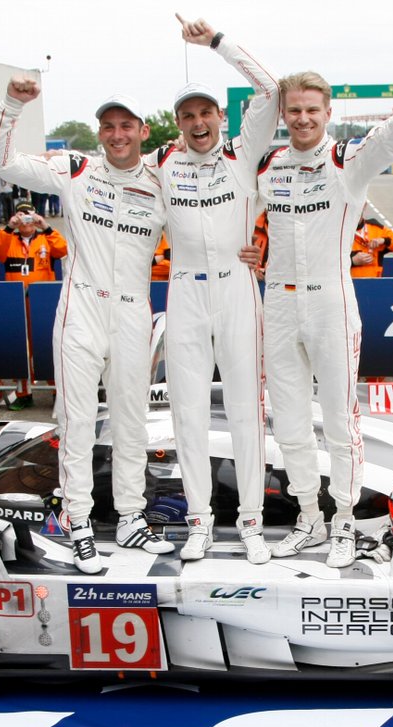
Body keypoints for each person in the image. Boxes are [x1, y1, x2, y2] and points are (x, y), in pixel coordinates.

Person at [259, 35, 393, 569]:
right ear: (283, 113)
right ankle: (309, 519)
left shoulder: (348, 161)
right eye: (293, 110)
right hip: (277, 302)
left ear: (327, 112)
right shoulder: (268, 166)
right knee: (288, 422)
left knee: (339, 420)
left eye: (311, 110)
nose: (302, 119)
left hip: (331, 301)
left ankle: (343, 521)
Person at [0, 76, 172, 575]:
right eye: (109, 126)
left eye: (126, 126)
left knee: (132, 420)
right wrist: (12, 105)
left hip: (134, 310)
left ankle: (132, 517)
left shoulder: (162, 179)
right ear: (100, 131)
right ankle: (78, 522)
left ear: (143, 130)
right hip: (82, 309)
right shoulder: (75, 170)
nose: (117, 134)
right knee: (75, 419)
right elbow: (2, 164)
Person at [152, 15, 279, 565]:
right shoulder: (162, 161)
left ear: (220, 117)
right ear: (177, 123)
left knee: (247, 410)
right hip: (183, 294)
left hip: (235, 290)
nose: (197, 122)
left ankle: (251, 521)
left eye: (205, 112)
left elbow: (271, 88)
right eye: (187, 115)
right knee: (188, 414)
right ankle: (198, 521)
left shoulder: (243, 154)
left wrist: (217, 43)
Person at [0, 201, 68, 410]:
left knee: (47, 345)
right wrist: (8, 227)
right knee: (21, 349)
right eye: (21, 215)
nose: (25, 220)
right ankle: (23, 393)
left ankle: (56, 391)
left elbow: (63, 249)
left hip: (42, 302)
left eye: (29, 215)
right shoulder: (8, 239)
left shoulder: (45, 238)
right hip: (16, 303)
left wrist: (46, 226)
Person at [351, 212, 393, 277]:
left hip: (374, 283)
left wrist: (384, 241)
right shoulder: (338, 231)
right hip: (345, 284)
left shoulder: (376, 228)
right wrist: (352, 261)